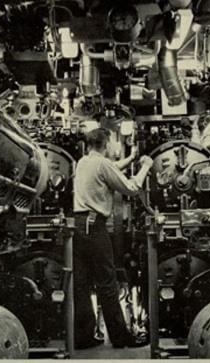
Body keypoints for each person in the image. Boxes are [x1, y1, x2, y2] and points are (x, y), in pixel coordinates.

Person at [73, 127, 153, 349]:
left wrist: (130, 159)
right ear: (105, 144)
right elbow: (131, 188)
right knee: (107, 282)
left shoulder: (83, 162)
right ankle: (121, 338)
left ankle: (84, 336)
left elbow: (110, 170)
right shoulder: (102, 164)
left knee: (80, 283)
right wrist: (145, 166)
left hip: (78, 225)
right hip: (94, 226)